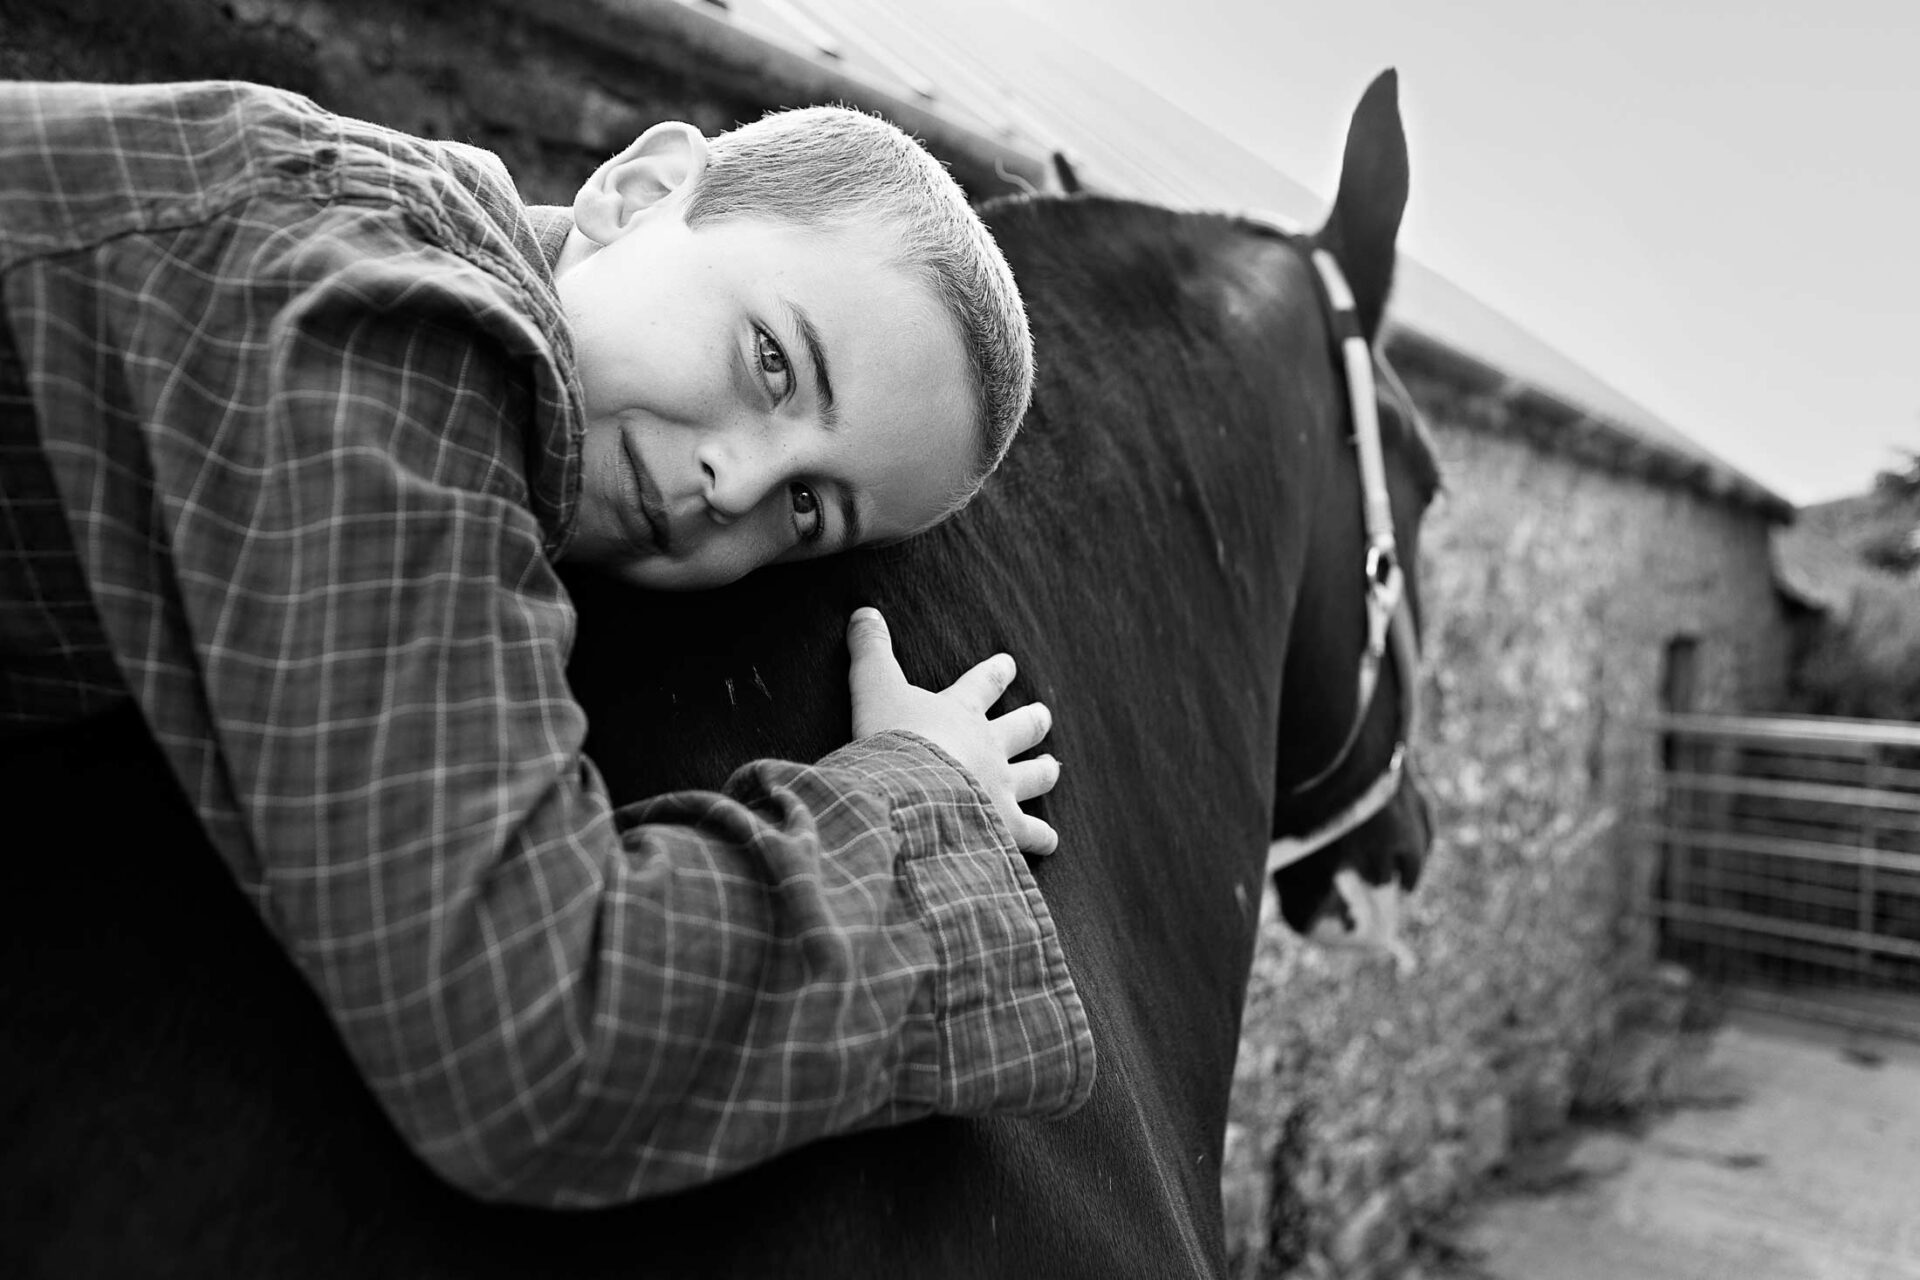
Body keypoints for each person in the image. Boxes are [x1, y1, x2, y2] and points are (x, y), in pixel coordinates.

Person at [0, 79, 1092, 1208]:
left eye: (809, 511)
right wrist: (919, 808)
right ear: (640, 189)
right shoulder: (384, 330)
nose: (740, 485)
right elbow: (521, 1030)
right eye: (772, 361)